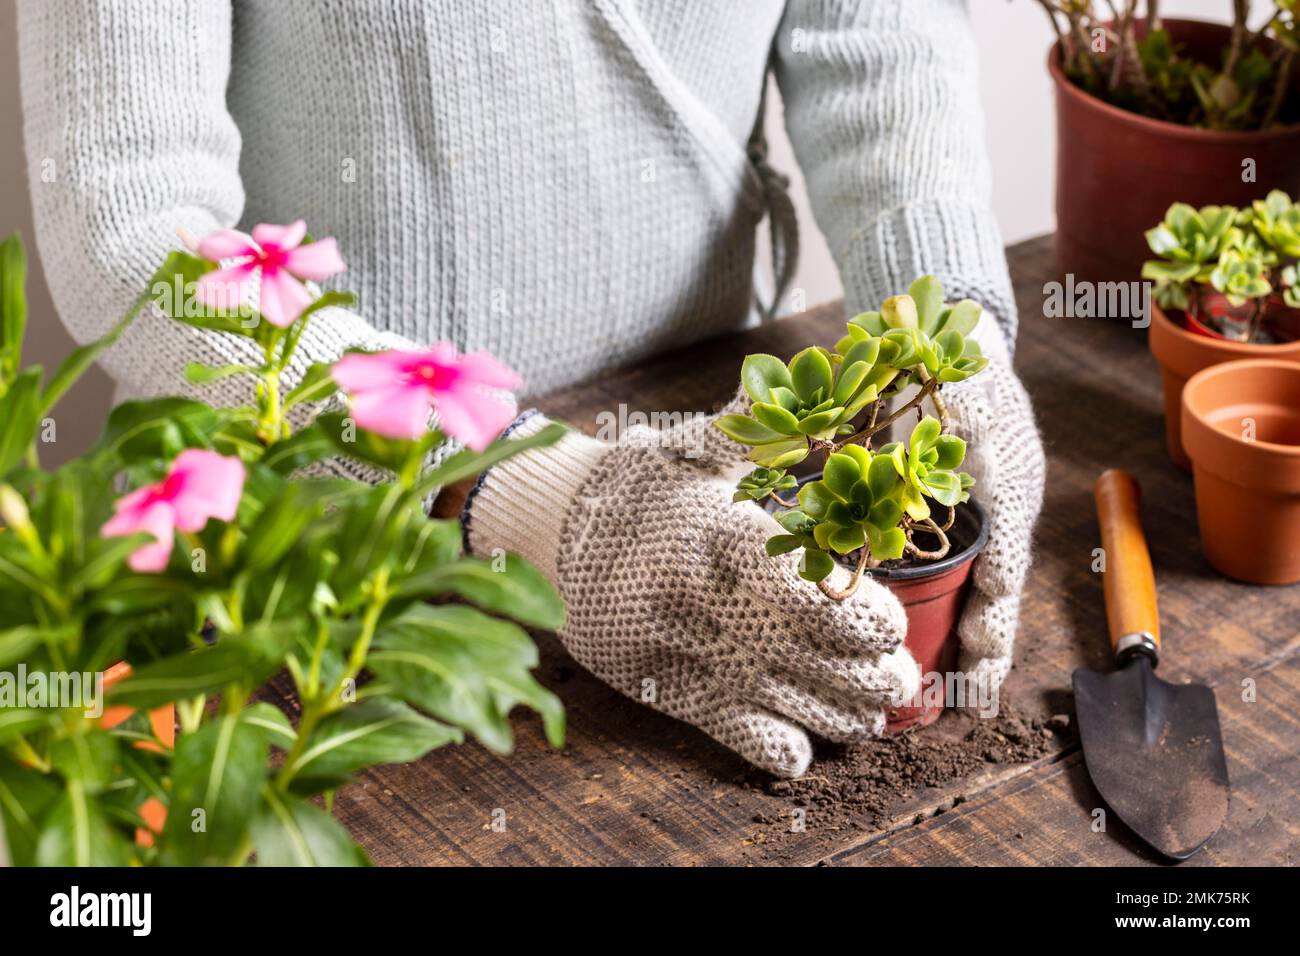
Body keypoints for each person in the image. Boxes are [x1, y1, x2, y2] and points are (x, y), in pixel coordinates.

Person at [18, 0, 1044, 778]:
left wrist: (946, 329)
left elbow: (874, 32)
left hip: (728, 480)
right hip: (317, 567)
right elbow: (133, 221)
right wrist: (509, 481)